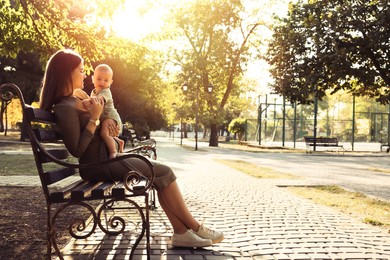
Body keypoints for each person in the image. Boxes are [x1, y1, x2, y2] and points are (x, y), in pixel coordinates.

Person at [39, 49, 224, 248]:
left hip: (107, 159)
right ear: (66, 73)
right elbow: (77, 149)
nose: (84, 75)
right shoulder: (64, 107)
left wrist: (106, 121)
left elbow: (98, 121)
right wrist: (95, 118)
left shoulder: (75, 99)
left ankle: (182, 232)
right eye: (81, 70)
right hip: (98, 164)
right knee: (162, 171)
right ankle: (193, 227)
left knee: (161, 173)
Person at [73, 64, 124, 159]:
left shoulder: (106, 91)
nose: (102, 82)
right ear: (93, 79)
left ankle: (113, 152)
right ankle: (119, 142)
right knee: (105, 132)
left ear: (111, 82)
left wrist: (88, 101)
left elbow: (99, 100)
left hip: (111, 117)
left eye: (106, 80)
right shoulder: (94, 92)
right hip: (105, 119)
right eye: (99, 79)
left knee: (104, 134)